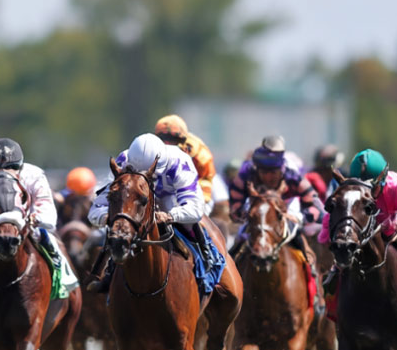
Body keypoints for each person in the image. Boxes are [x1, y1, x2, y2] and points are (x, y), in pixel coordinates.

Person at [84, 133, 214, 293]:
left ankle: (206, 258)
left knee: (188, 223)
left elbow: (196, 209)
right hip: (136, 203)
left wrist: (170, 215)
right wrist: (109, 217)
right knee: (117, 227)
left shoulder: (179, 161)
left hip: (170, 200)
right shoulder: (123, 161)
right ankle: (107, 273)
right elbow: (96, 209)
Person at [0, 138, 78, 296]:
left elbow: (50, 217)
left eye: (12, 167)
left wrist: (36, 219)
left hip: (28, 225)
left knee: (49, 240)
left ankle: (65, 281)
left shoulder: (35, 176)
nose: (4, 171)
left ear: (20, 166)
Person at [319, 148, 397, 295]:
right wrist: (325, 239)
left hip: (391, 227)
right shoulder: (349, 190)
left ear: (382, 179)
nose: (367, 192)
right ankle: (335, 275)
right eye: (360, 186)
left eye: (372, 187)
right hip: (361, 233)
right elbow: (333, 216)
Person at [227, 135, 324, 266]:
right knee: (237, 245)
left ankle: (311, 269)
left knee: (302, 242)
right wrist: (248, 214)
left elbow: (316, 207)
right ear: (257, 169)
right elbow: (234, 208)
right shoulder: (245, 175)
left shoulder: (292, 176)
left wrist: (300, 217)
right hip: (255, 214)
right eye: (264, 172)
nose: (268, 177)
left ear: (281, 169)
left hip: (287, 212)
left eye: (273, 172)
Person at [153, 114, 216, 201]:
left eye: (173, 139)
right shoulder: (152, 149)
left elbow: (206, 179)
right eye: (163, 138)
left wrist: (198, 199)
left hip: (197, 188)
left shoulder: (199, 152)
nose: (168, 143)